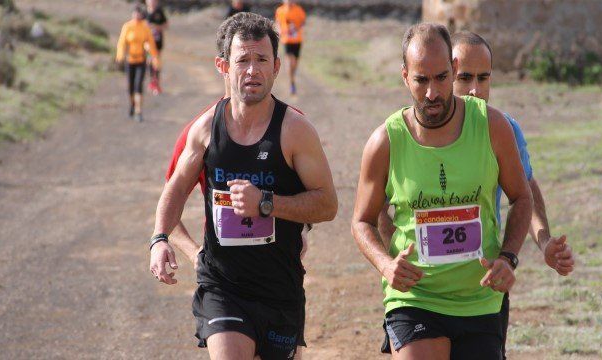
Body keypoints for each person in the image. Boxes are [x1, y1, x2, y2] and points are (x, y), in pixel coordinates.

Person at [376, 29, 576, 358]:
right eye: (466, 77)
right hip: (422, 294)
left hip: (484, 282)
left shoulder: (502, 128)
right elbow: (376, 211)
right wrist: (392, 262)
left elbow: (525, 191)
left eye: (484, 78)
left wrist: (539, 244)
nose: (474, 89)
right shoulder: (399, 134)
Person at [149, 12, 337, 360]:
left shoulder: (295, 130)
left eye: (262, 60)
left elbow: (327, 205)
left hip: (280, 285)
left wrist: (266, 203)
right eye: (243, 60)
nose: (252, 70)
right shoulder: (204, 130)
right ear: (223, 66)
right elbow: (174, 190)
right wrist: (160, 240)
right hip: (223, 285)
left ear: (277, 66)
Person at [351, 23, 533, 359]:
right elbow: (361, 221)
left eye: (441, 78)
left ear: (452, 70)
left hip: (479, 298)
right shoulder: (385, 142)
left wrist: (509, 258)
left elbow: (522, 197)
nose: (432, 93)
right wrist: (386, 265)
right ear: (406, 77)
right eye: (421, 80)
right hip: (414, 298)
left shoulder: (493, 127)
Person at [116, 4, 159, 122]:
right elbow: (121, 42)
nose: (137, 15)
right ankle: (132, 105)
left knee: (138, 85)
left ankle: (138, 111)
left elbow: (151, 43)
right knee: (130, 87)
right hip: (130, 61)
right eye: (135, 13)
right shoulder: (127, 26)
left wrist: (155, 58)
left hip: (141, 61)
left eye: (139, 13)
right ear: (132, 14)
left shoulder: (145, 28)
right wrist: (120, 55)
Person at [274, 0, 306, 95]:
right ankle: (291, 82)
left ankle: (292, 76)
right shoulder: (280, 10)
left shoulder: (299, 10)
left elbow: (303, 21)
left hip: (297, 40)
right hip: (286, 40)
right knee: (289, 60)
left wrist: (296, 28)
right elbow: (278, 22)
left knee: (295, 63)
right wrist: (280, 30)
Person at [146, 0, 168, 94]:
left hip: (157, 42)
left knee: (156, 62)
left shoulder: (160, 12)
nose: (152, 2)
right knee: (149, 62)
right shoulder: (144, 12)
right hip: (146, 42)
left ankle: (156, 84)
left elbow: (166, 25)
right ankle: (152, 82)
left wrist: (156, 27)